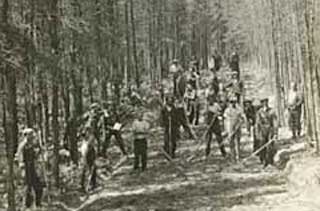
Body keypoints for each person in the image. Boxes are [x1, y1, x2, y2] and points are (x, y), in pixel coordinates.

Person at [16, 128, 44, 209]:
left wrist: (40, 151)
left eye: (32, 135)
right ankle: (26, 207)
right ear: (26, 136)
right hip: (25, 170)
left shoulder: (31, 145)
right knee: (27, 189)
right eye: (30, 135)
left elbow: (35, 156)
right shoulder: (22, 146)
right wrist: (22, 168)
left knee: (39, 187)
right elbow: (20, 157)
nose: (32, 137)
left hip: (32, 169)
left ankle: (38, 205)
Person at [255, 97, 278, 167]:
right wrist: (257, 133)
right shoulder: (259, 112)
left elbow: (275, 122)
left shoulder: (272, 111)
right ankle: (264, 160)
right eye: (263, 102)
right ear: (261, 103)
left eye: (266, 102)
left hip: (270, 130)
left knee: (270, 146)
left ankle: (270, 161)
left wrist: (275, 132)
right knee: (262, 145)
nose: (265, 103)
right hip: (262, 131)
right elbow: (257, 123)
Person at [224, 98, 246, 163]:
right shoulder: (227, 110)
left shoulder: (239, 109)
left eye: (234, 102)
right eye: (231, 102)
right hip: (230, 128)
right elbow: (225, 120)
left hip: (237, 128)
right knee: (231, 143)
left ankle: (238, 157)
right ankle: (232, 157)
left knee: (237, 143)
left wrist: (241, 122)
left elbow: (242, 117)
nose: (232, 103)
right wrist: (226, 130)